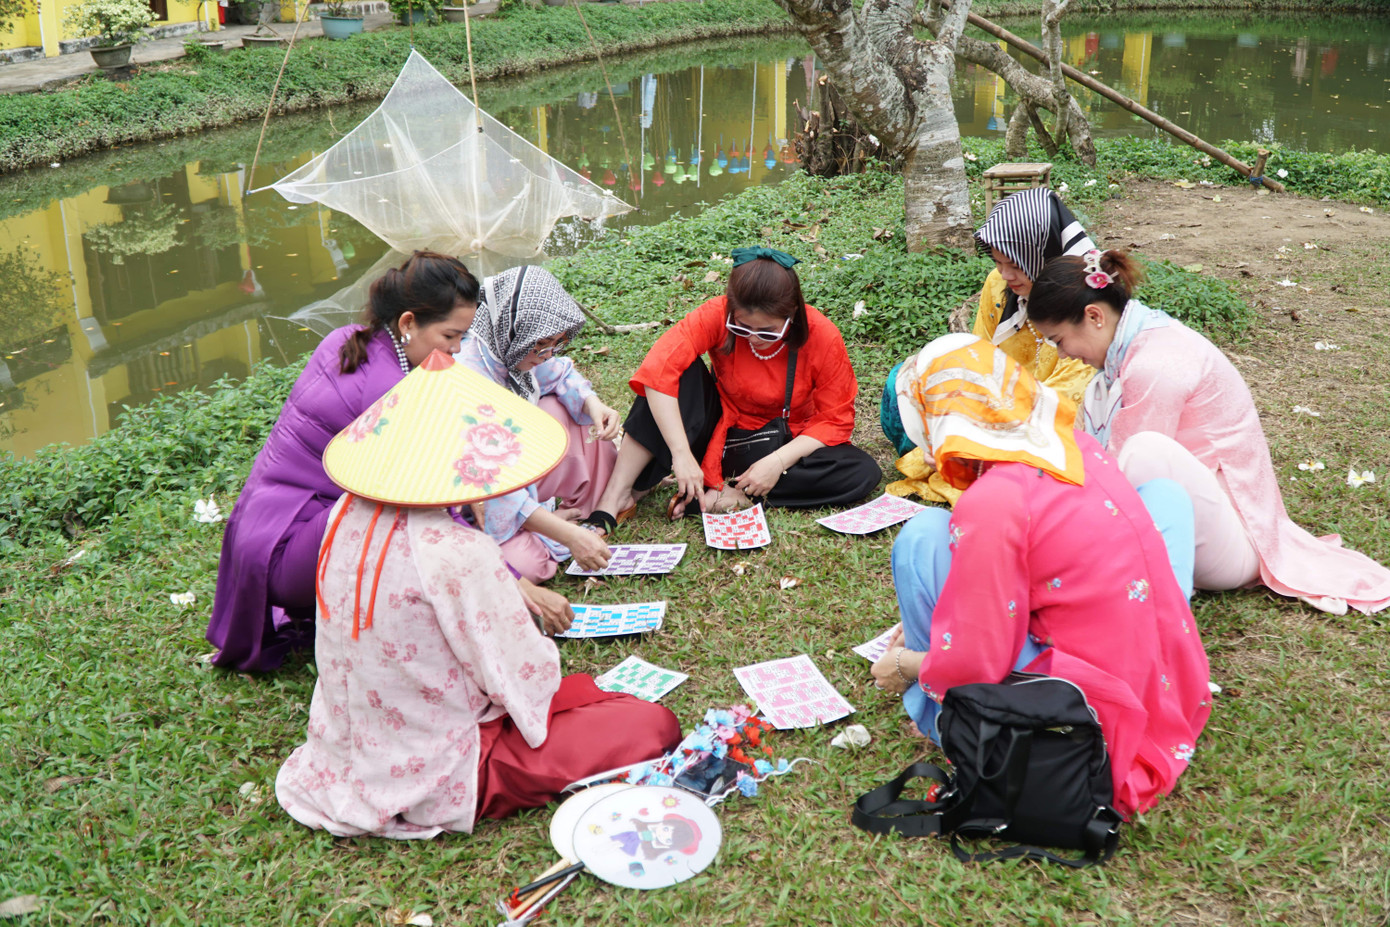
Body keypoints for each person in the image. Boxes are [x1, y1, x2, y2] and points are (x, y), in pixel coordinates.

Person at [275, 350, 681, 839]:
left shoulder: (344, 512)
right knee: (649, 724)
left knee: (592, 697)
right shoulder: (459, 551)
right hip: (440, 763)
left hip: (346, 742)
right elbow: (520, 679)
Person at [873, 333, 1210, 818]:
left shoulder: (994, 502)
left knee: (921, 536)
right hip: (1155, 685)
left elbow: (976, 663)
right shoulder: (1070, 443)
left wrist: (906, 664)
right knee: (1162, 496)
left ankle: (945, 719)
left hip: (1084, 719)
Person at [207, 252, 570, 673]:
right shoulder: (391, 393)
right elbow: (437, 513)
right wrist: (518, 587)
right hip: (288, 555)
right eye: (450, 336)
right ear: (408, 323)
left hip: (257, 536)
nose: (456, 350)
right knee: (423, 523)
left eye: (463, 338)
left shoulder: (348, 338)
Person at [1026, 249, 1390, 614]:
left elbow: (1123, 477)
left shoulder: (1152, 364)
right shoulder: (1140, 342)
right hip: (1213, 523)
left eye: (1059, 340)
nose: (1061, 355)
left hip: (1237, 545)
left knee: (1143, 451)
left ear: (1094, 316)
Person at [587, 247, 881, 525]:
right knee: (677, 372)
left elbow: (835, 419)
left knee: (860, 471)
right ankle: (617, 496)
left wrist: (777, 462)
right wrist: (682, 455)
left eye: (768, 331)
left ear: (792, 314)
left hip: (787, 439)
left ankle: (736, 495)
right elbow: (658, 370)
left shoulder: (822, 335)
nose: (753, 337)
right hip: (721, 434)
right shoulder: (717, 314)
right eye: (741, 327)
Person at [880, 186, 1097, 504]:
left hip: (1048, 418)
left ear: (1044, 254)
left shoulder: (1082, 301)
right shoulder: (998, 286)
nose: (1005, 274)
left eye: (1016, 264)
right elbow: (978, 356)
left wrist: (992, 423)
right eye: (998, 262)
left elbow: (1066, 400)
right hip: (996, 402)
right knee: (902, 382)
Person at [456, 265, 620, 582]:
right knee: (521, 566)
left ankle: (567, 518)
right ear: (515, 330)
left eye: (557, 344)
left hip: (520, 475)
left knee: (571, 412)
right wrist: (559, 530)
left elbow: (560, 374)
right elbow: (489, 486)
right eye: (542, 345)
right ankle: (552, 529)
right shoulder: (470, 371)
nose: (548, 354)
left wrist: (594, 404)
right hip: (479, 503)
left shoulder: (513, 348)